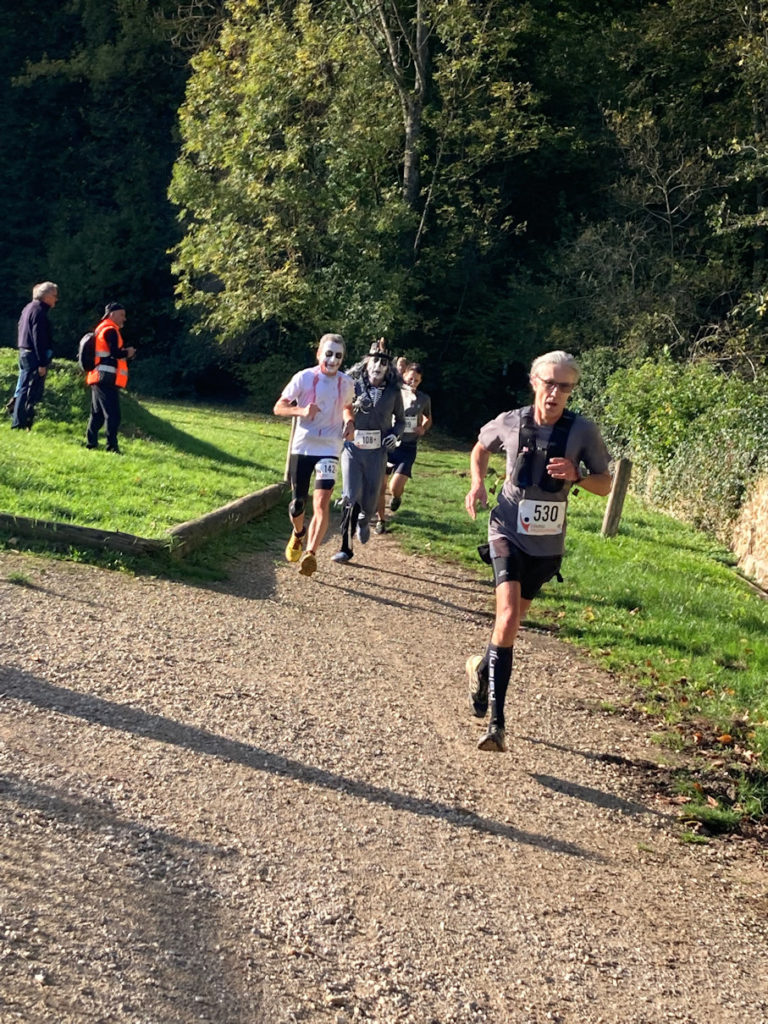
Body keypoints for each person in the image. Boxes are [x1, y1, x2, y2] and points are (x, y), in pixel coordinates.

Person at [464, 350, 612, 752]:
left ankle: (482, 669)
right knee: (508, 616)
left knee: (509, 627)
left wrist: (578, 476)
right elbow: (480, 447)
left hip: (547, 543)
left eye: (564, 386)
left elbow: (605, 483)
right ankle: (497, 724)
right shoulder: (511, 420)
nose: (555, 393)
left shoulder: (583, 431)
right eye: (549, 384)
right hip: (506, 529)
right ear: (534, 383)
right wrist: (477, 483)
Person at [273, 333, 355, 577]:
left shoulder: (346, 383)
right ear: (319, 354)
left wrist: (350, 422)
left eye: (338, 356)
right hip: (303, 446)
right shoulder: (304, 377)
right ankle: (298, 533)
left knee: (321, 502)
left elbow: (347, 407)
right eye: (328, 354)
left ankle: (310, 553)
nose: (333, 360)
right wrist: (301, 411)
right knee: (298, 503)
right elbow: (279, 407)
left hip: (329, 448)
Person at [332, 342, 405, 563]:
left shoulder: (393, 392)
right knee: (349, 495)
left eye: (383, 363)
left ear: (388, 368)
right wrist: (353, 407)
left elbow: (401, 421)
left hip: (377, 452)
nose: (378, 366)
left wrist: (395, 435)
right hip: (353, 449)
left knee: (372, 497)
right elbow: (339, 409)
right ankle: (345, 546)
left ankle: (365, 520)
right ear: (366, 363)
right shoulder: (353, 385)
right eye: (375, 361)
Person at [374, 361, 432, 533]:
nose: (412, 382)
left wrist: (423, 428)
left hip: (408, 446)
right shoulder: (392, 393)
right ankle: (381, 520)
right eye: (410, 378)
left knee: (394, 486)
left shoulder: (423, 399)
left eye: (416, 380)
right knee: (380, 486)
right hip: (388, 443)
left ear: (420, 381)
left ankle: (397, 496)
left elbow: (428, 418)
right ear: (404, 376)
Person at [85, 302, 136, 453]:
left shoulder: (101, 328)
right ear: (112, 314)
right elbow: (114, 353)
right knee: (113, 414)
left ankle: (91, 443)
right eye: (122, 315)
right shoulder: (110, 330)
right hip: (106, 377)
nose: (124, 319)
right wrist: (127, 353)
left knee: (97, 414)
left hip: (97, 375)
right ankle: (112, 446)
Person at [10, 281, 58, 430]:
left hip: (24, 351)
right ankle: (20, 422)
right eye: (54, 295)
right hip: (34, 355)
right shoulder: (39, 311)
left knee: (23, 385)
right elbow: (39, 338)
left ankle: (19, 418)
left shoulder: (28, 308)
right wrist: (42, 362)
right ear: (47, 296)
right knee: (30, 389)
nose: (56, 299)